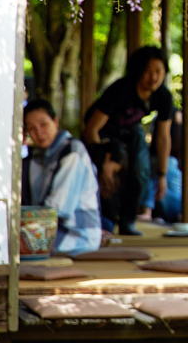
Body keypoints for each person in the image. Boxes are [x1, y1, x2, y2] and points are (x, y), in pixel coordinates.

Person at [83, 45, 173, 235]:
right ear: (138, 71)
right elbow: (92, 128)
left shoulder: (163, 96)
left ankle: (128, 221)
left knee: (142, 169)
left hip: (131, 131)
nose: (154, 77)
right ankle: (107, 218)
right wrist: (103, 159)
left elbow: (164, 137)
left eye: (159, 71)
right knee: (112, 174)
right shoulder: (120, 89)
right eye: (148, 71)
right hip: (105, 135)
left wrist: (163, 175)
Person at [22, 100, 102, 254]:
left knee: (10, 245)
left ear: (56, 121)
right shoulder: (36, 157)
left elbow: (57, 209)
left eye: (43, 124)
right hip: (45, 230)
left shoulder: (72, 151)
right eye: (32, 128)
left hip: (76, 234)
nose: (38, 132)